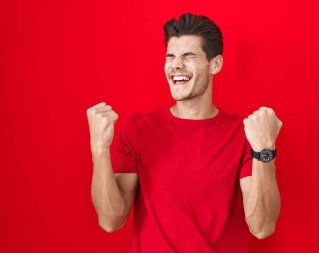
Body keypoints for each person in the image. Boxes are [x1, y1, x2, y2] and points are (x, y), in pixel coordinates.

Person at [86, 12, 283, 253]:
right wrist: (98, 149)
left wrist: (265, 150)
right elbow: (111, 220)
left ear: (215, 64)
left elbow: (261, 227)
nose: (176, 64)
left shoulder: (242, 133)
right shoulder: (139, 129)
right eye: (171, 56)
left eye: (188, 56)